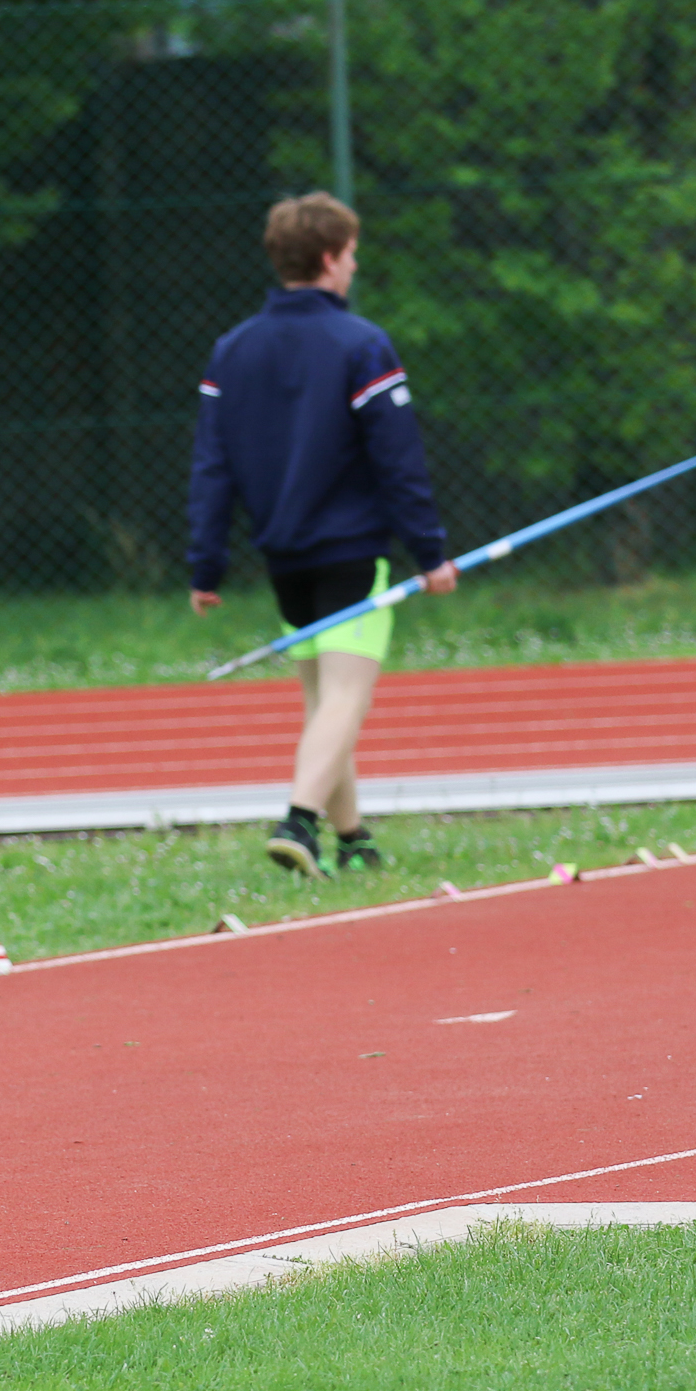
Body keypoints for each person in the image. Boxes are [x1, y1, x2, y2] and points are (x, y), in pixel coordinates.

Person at [188, 191, 460, 878]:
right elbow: (399, 461)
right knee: (344, 698)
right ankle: (299, 823)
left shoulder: (232, 350)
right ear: (331, 258)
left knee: (322, 703)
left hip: (284, 558)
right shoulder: (361, 344)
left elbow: (212, 467)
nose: (355, 265)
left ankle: (354, 839)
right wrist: (430, 553)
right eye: (352, 253)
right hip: (349, 552)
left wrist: (206, 565)